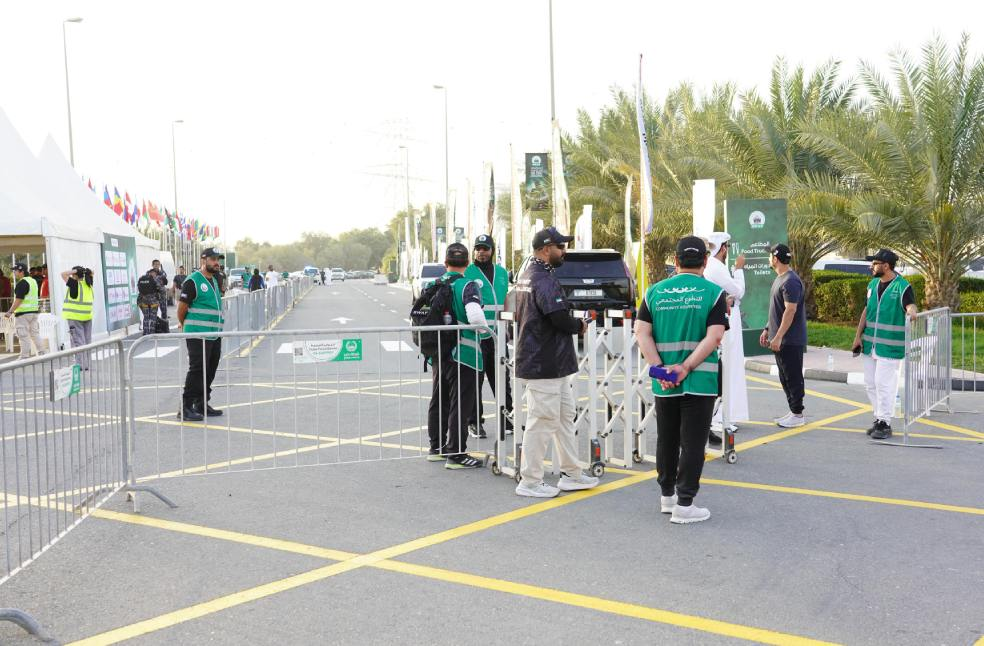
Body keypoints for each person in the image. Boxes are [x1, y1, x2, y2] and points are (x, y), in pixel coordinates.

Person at [634, 236, 727, 524]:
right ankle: (685, 504)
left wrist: (661, 369)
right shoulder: (713, 293)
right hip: (699, 381)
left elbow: (641, 332)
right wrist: (685, 367)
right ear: (704, 261)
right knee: (693, 441)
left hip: (665, 383)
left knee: (668, 438)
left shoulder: (654, 293)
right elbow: (715, 336)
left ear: (675, 261)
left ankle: (667, 496)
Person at [513, 226, 599, 498]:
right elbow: (558, 317)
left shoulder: (530, 275)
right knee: (542, 420)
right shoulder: (543, 279)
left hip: (548, 360)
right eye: (561, 247)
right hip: (544, 361)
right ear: (545, 249)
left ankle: (571, 474)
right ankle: (529, 481)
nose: (565, 252)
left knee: (563, 417)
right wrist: (580, 325)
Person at [426, 243, 488, 470]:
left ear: (445, 263)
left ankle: (437, 448)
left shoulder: (435, 284)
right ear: (468, 264)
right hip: (465, 355)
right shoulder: (467, 285)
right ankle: (456, 454)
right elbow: (476, 317)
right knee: (460, 403)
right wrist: (486, 331)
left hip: (438, 353)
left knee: (439, 399)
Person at [852, 249, 918, 440]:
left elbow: (910, 305)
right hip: (870, 343)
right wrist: (858, 336)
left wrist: (912, 312)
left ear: (886, 266)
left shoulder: (902, 286)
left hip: (890, 346)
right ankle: (879, 417)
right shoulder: (872, 284)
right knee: (870, 384)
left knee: (883, 384)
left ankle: (885, 422)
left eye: (875, 263)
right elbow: (867, 310)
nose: (871, 266)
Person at [464, 234, 513, 439]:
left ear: (492, 250)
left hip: (499, 334)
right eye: (478, 248)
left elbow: (507, 300)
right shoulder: (468, 272)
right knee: (476, 379)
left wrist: (509, 324)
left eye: (485, 248)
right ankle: (475, 422)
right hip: (477, 335)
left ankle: (507, 419)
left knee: (502, 377)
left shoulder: (502, 272)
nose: (481, 252)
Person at [704, 232, 749, 440]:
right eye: (727, 247)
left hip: (725, 316)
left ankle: (726, 414)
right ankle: (719, 416)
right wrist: (739, 270)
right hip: (726, 319)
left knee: (729, 365)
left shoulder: (715, 267)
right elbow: (738, 292)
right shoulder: (716, 266)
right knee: (728, 366)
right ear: (723, 248)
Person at [760, 243, 807, 428]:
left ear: (775, 259)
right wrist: (767, 329)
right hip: (780, 337)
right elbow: (777, 310)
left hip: (790, 339)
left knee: (793, 376)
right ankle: (793, 411)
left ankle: (797, 414)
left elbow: (790, 310)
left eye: (770, 256)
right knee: (785, 376)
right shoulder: (780, 278)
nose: (768, 259)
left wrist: (778, 336)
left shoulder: (790, 281)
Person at [177, 248, 226, 422]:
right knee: (197, 370)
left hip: (214, 334)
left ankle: (201, 403)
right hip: (197, 334)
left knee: (210, 370)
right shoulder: (193, 281)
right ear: (203, 260)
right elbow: (182, 308)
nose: (216, 262)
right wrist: (185, 325)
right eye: (212, 259)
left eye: (217, 259)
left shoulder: (216, 279)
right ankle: (186, 407)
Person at [3, 263, 46, 359]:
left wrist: (10, 311)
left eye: (15, 271)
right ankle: (42, 353)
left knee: (23, 335)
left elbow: (19, 299)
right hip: (33, 312)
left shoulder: (22, 283)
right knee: (34, 333)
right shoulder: (32, 281)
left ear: (21, 271)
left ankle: (24, 356)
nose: (14, 273)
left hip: (23, 314)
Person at [60, 265, 94, 367]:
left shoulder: (74, 284)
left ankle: (80, 365)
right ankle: (87, 364)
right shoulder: (88, 283)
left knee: (78, 342)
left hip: (75, 317)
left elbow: (63, 274)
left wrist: (74, 271)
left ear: (74, 275)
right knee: (87, 341)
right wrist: (85, 271)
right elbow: (92, 272)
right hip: (87, 316)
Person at [137, 268, 163, 336]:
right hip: (153, 301)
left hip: (144, 301)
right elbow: (161, 289)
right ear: (153, 273)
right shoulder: (155, 280)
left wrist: (139, 302)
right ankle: (151, 332)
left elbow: (139, 290)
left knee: (146, 317)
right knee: (153, 317)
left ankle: (145, 332)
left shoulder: (142, 279)